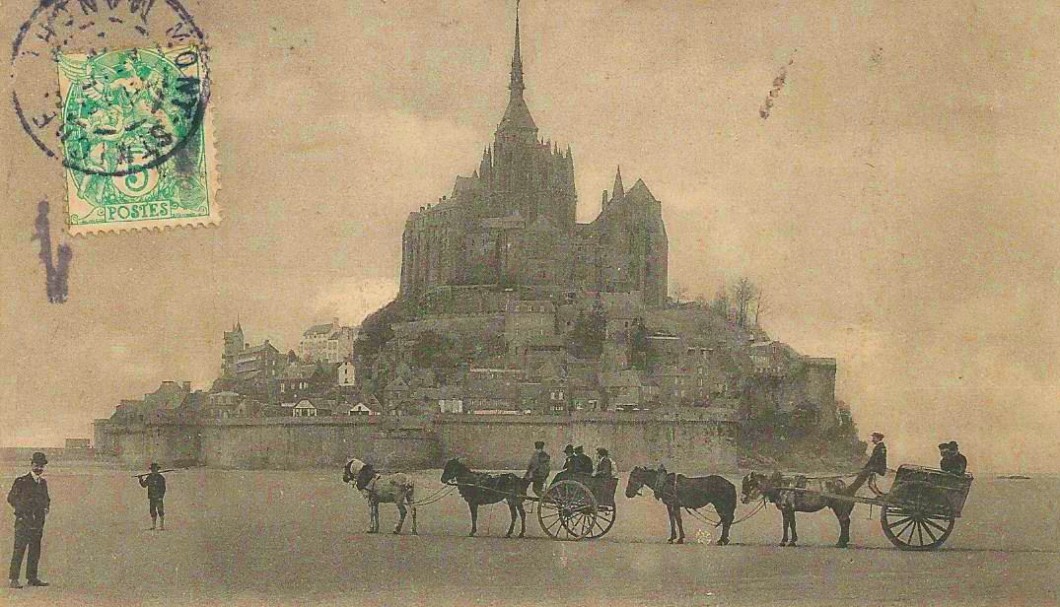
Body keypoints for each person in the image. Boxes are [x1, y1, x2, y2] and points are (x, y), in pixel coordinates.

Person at [8, 452, 50, 589]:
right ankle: (13, 579)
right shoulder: (21, 481)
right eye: (37, 465)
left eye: (41, 466)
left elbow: (46, 499)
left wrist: (46, 507)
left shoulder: (43, 483)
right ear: (31, 465)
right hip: (23, 521)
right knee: (19, 550)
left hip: (37, 523)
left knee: (35, 550)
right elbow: (11, 498)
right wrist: (22, 511)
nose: (39, 469)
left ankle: (32, 578)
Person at [138, 463, 167, 530]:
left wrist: (161, 496)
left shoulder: (161, 478)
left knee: (160, 511)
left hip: (158, 497)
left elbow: (163, 488)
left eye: (155, 469)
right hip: (152, 497)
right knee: (152, 511)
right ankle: (154, 526)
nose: (154, 470)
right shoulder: (149, 477)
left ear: (157, 470)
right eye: (153, 469)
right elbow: (144, 485)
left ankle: (162, 526)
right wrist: (140, 479)